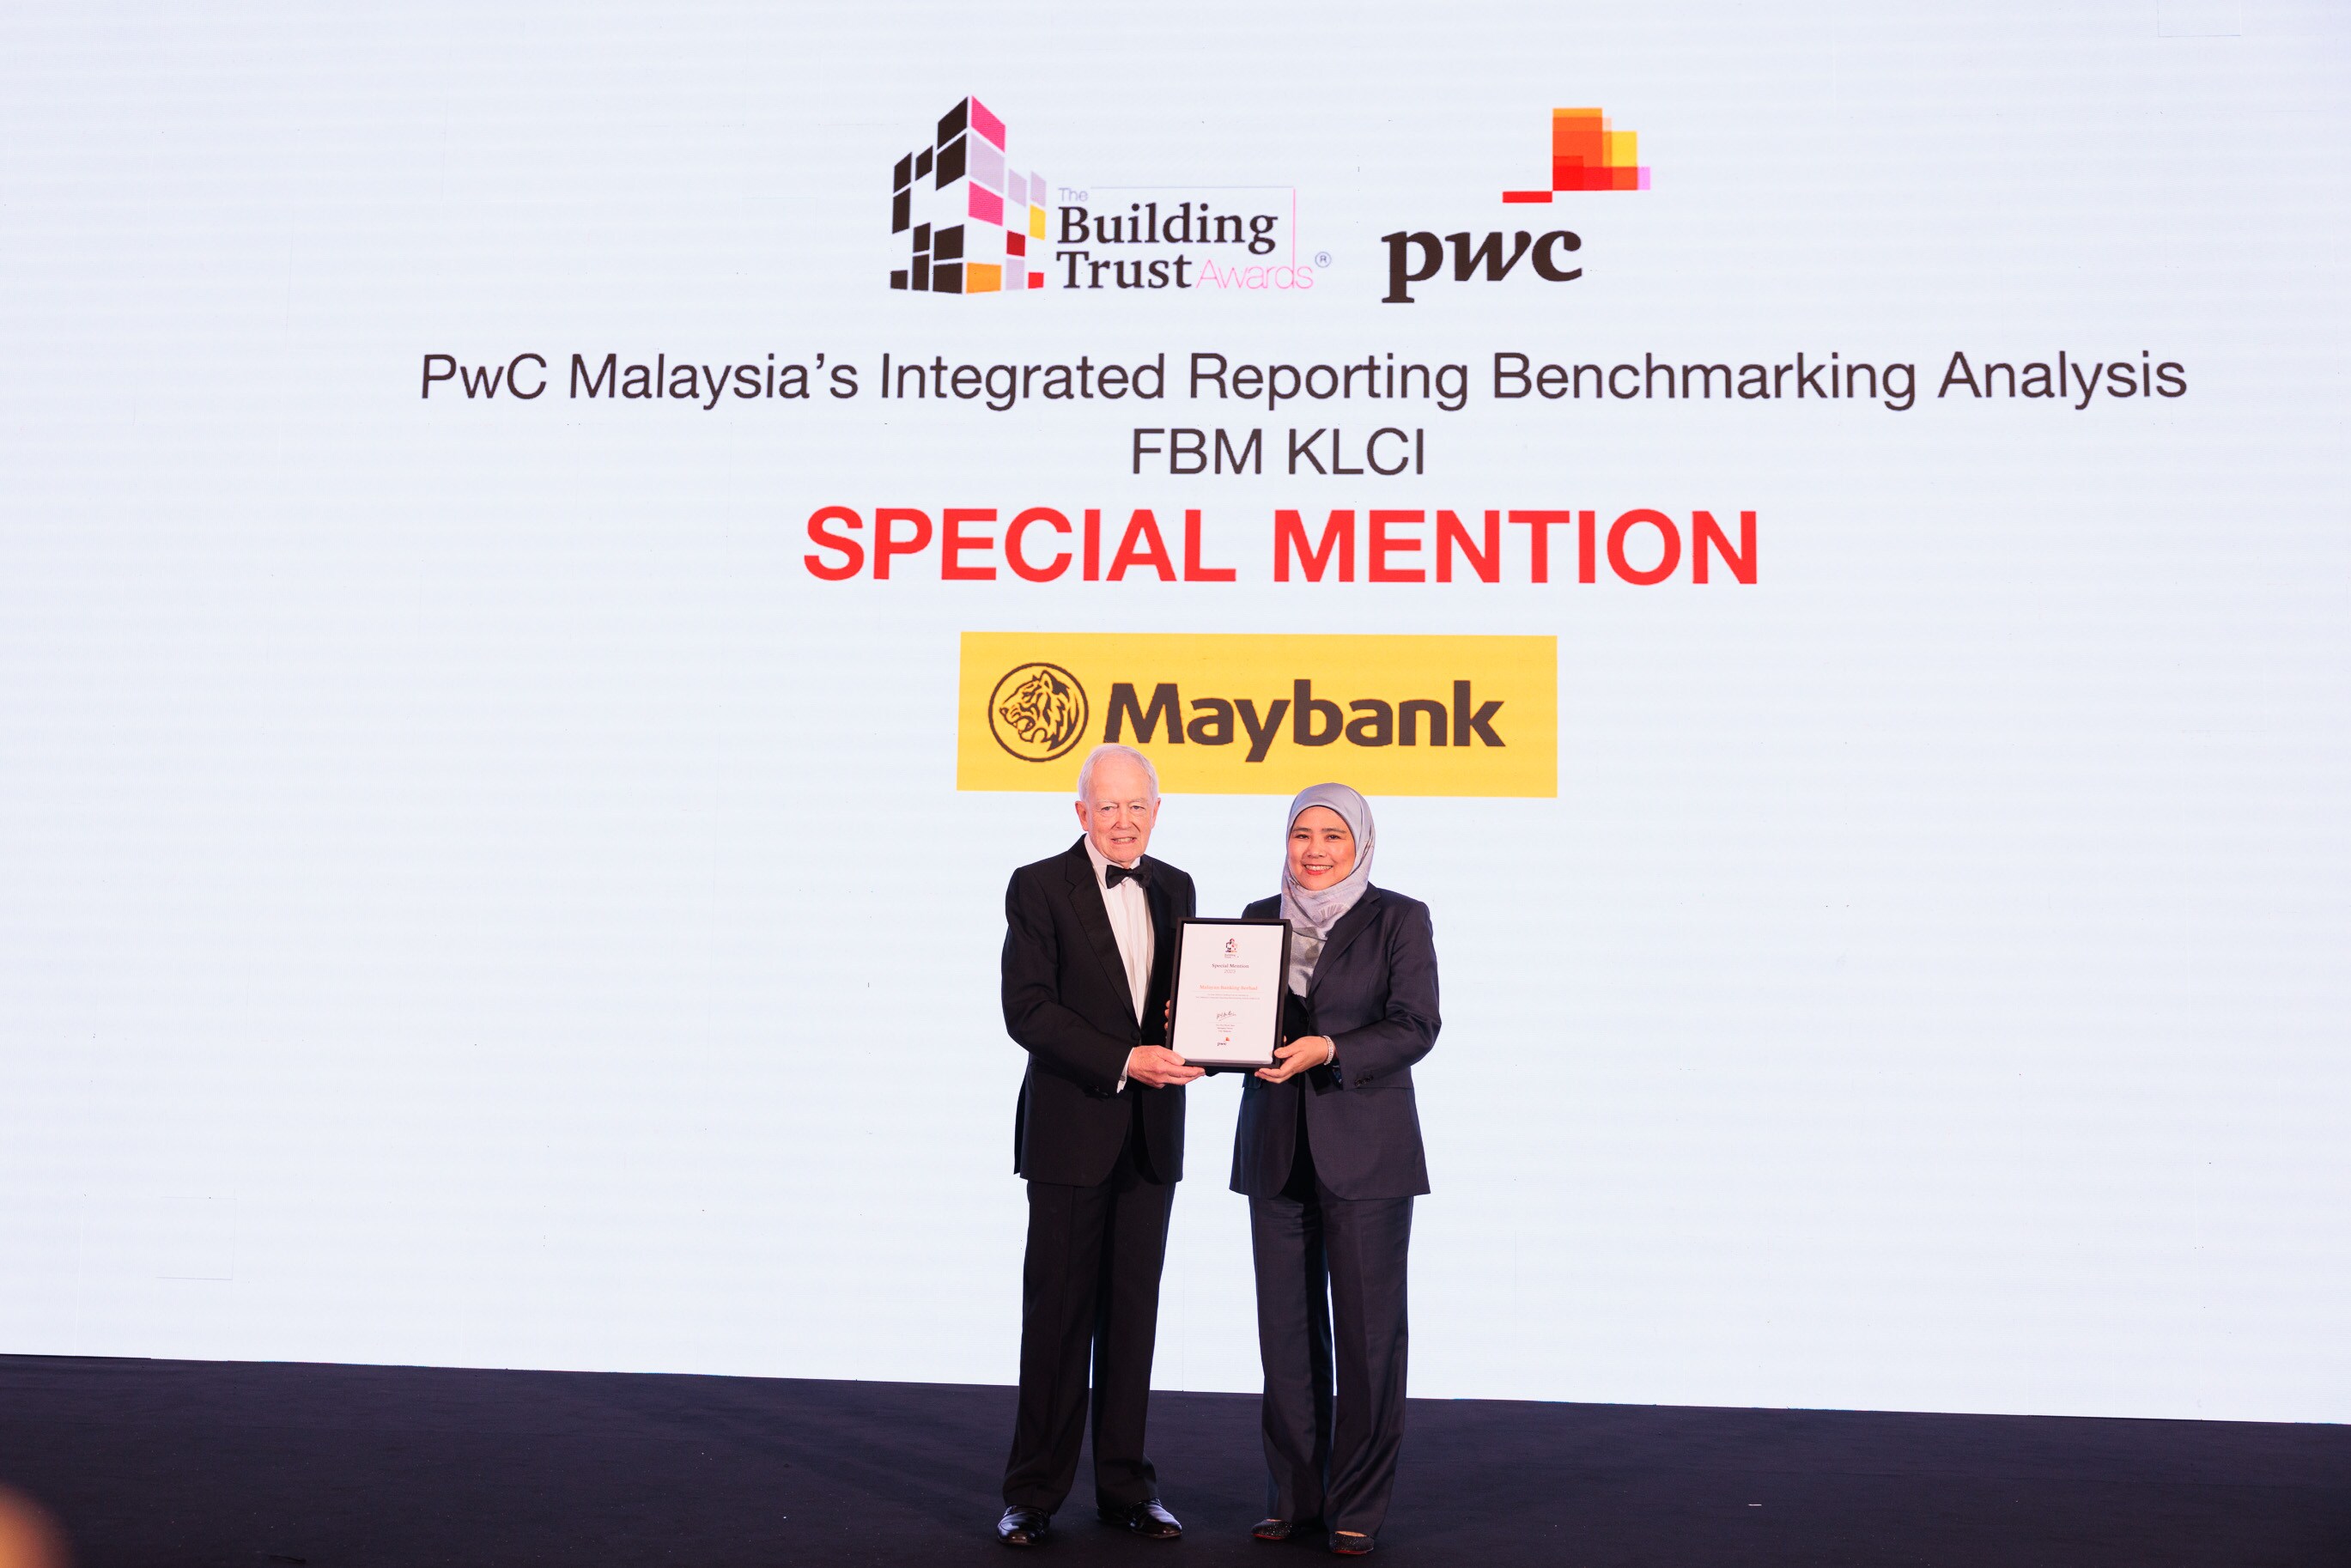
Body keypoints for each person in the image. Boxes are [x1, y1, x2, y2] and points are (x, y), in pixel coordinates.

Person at [996, 743, 1202, 1547]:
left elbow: (1186, 1002)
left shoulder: (1177, 886)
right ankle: (1032, 1493)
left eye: (1136, 806)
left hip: (1152, 1135)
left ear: (1157, 810)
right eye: (1107, 807)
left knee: (1132, 1319)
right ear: (1082, 812)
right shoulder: (1037, 885)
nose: (1123, 822)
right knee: (1056, 1319)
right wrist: (1124, 1060)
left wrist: (1206, 1036)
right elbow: (1028, 1010)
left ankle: (1126, 1489)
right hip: (1071, 1131)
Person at [1231, 784, 1439, 1557]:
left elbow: (1416, 1025)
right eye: (1302, 834)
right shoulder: (1256, 919)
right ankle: (1294, 1497)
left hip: (1367, 1153)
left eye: (1332, 836)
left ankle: (1357, 1505)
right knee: (1285, 1336)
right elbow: (1238, 1029)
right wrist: (1199, 1036)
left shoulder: (1399, 918)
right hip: (1276, 1147)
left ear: (1361, 845)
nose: (1314, 850)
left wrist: (1332, 1050)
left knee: (1367, 1337)